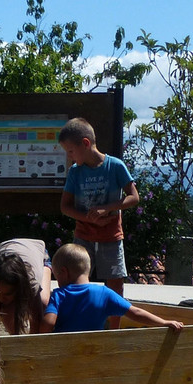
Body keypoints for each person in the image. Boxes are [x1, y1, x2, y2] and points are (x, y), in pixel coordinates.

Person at [58, 117, 139, 328]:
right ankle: (76, 323)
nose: (69, 157)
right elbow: (65, 206)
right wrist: (87, 217)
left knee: (115, 284)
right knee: (75, 281)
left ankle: (113, 330)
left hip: (110, 236)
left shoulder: (115, 166)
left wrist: (108, 208)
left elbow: (134, 197)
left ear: (85, 143)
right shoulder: (75, 172)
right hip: (83, 236)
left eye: (70, 151)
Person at [41, 244, 183, 334]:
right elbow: (136, 312)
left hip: (64, 353)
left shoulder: (59, 294)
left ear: (64, 272)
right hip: (94, 352)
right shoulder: (105, 293)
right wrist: (164, 322)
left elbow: (49, 322)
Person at [0, 238, 52, 335]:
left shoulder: (32, 282)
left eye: (7, 294)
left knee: (44, 303)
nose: (1, 298)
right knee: (7, 309)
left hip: (38, 250)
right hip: (0, 251)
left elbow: (36, 319)